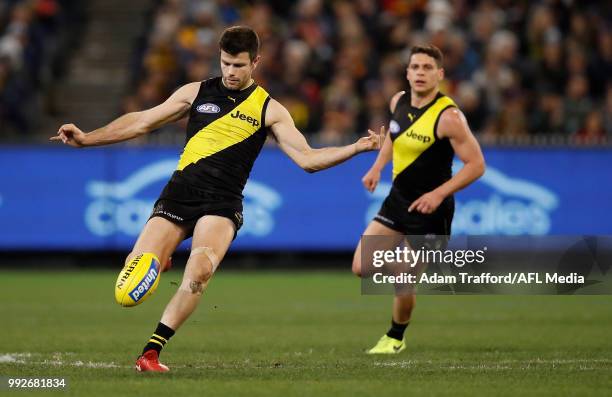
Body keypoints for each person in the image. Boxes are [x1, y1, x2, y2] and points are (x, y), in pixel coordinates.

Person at [50, 26, 382, 371]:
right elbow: (141, 122)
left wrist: (355, 148)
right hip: (180, 195)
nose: (231, 72)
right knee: (131, 284)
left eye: (239, 65)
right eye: (225, 64)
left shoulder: (269, 109)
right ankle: (160, 258)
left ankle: (150, 353)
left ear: (256, 62)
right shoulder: (196, 93)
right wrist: (88, 138)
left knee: (200, 271)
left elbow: (308, 160)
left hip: (222, 204)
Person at [352, 45, 485, 354]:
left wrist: (438, 193)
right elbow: (394, 138)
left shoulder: (449, 117)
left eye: (428, 68)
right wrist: (376, 167)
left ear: (439, 74)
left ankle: (395, 337)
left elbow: (477, 165)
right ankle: (407, 272)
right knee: (361, 266)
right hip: (398, 200)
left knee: (403, 281)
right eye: (416, 67)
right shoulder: (398, 101)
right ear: (407, 72)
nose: (421, 73)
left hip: (431, 212)